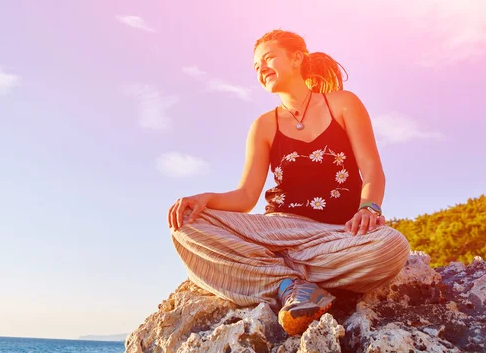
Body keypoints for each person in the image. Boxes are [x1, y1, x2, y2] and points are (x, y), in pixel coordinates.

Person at [167, 29, 411, 336]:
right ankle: (290, 285)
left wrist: (369, 208)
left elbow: (372, 169)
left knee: (392, 245)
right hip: (277, 231)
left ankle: (274, 274)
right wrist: (204, 199)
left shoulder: (343, 103)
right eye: (256, 67)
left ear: (297, 58)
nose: (262, 70)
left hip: (334, 236)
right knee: (185, 223)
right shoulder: (264, 125)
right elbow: (246, 196)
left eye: (268, 58)